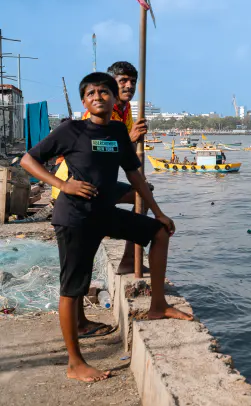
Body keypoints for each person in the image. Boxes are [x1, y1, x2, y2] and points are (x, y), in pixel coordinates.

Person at [20, 72, 192, 383]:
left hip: (104, 213)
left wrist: (158, 212)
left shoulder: (116, 131)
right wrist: (63, 185)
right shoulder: (70, 130)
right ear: (84, 101)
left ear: (114, 100)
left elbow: (135, 175)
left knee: (158, 232)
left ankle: (158, 305)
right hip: (75, 217)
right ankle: (75, 363)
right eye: (91, 93)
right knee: (72, 289)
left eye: (104, 92)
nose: (98, 97)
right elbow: (28, 160)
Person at [54, 62, 149, 276]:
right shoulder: (101, 111)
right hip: (77, 183)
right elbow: (102, 152)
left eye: (132, 82)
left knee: (143, 194)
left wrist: (130, 140)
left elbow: (125, 156)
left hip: (100, 181)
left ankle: (129, 259)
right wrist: (130, 138)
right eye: (122, 81)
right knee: (77, 271)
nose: (129, 86)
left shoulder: (125, 111)